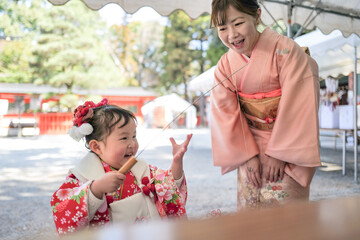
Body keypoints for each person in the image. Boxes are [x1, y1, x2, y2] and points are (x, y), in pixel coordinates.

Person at [209, 0, 321, 209]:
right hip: (248, 147)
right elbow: (224, 112)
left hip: (287, 151)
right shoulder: (225, 64)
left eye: (238, 23)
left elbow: (300, 103)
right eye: (222, 28)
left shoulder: (286, 51)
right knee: (250, 217)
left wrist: (280, 153)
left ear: (257, 16)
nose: (232, 34)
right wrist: (246, 155)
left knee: (284, 220)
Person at [50, 98, 192, 236]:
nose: (132, 144)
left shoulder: (142, 168)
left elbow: (167, 185)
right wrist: (95, 189)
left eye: (134, 136)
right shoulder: (82, 175)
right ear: (97, 146)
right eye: (124, 138)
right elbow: (62, 209)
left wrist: (176, 162)